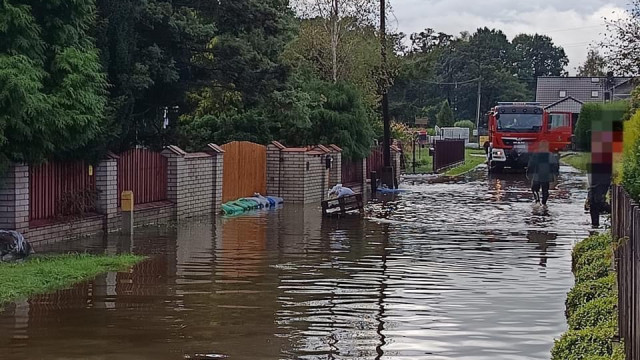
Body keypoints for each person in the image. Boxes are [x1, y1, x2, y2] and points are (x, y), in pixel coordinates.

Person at [527, 140, 558, 207]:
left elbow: (531, 165)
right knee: (545, 190)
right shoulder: (550, 155)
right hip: (546, 176)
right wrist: (555, 174)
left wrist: (528, 173)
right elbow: (555, 165)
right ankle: (544, 203)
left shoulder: (536, 155)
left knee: (535, 189)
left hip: (537, 176)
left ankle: (537, 201)